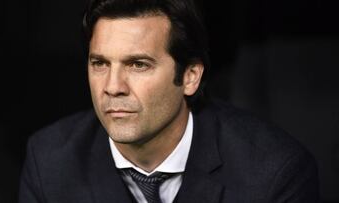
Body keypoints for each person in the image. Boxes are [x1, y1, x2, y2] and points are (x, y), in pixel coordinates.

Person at [19, 0, 320, 202]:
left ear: (190, 76)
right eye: (100, 64)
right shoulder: (49, 161)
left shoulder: (275, 173)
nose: (112, 87)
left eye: (138, 65)